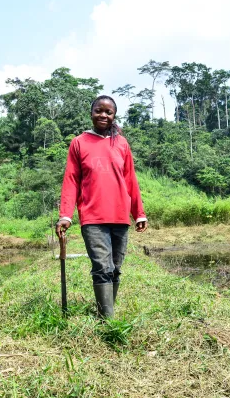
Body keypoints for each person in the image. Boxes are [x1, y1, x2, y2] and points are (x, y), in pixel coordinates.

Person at [55, 95, 147, 318]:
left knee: (116, 268)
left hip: (120, 216)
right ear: (91, 113)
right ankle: (108, 321)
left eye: (108, 112)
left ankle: (106, 314)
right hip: (93, 217)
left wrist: (139, 213)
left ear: (114, 115)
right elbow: (71, 180)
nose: (103, 115)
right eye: (99, 110)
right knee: (102, 267)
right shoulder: (79, 142)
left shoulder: (121, 143)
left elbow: (130, 180)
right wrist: (66, 215)